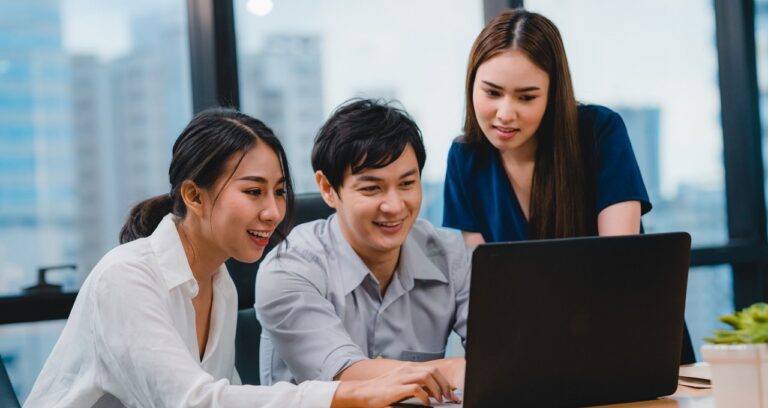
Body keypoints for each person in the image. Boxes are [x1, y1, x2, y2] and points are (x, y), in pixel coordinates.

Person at [24, 108, 453, 408]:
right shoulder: (126, 278)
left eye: (279, 191)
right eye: (253, 191)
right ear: (193, 195)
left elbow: (225, 392)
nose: (274, 211)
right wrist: (348, 395)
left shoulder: (219, 284)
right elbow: (192, 402)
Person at [256, 99, 468, 403]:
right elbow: (344, 375)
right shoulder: (289, 268)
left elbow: (500, 354)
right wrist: (453, 369)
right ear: (328, 189)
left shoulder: (450, 256)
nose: (395, 206)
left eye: (407, 183)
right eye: (372, 189)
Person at [443, 9, 651, 246]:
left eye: (526, 97)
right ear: (472, 84)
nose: (505, 114)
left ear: (553, 95)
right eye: (492, 92)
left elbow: (619, 258)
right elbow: (486, 272)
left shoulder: (599, 132)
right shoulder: (465, 158)